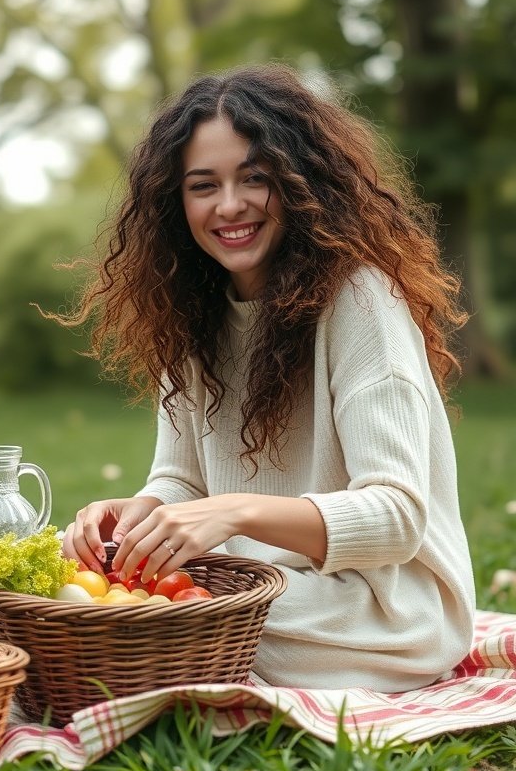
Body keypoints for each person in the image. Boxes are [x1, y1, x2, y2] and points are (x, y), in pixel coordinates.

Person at [62, 63, 476, 691]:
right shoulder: (192, 308)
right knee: (93, 606)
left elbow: (397, 517)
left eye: (254, 178)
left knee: (164, 623)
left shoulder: (361, 300)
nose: (230, 206)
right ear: (175, 202)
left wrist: (232, 514)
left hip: (385, 612)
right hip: (264, 588)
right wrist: (136, 517)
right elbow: (182, 478)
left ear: (299, 182)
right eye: (204, 185)